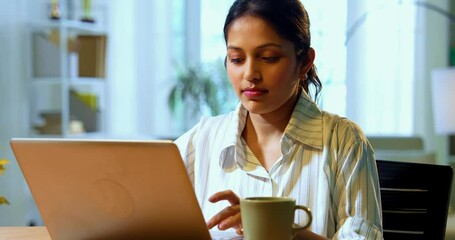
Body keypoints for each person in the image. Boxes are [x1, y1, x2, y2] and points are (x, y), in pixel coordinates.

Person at [174, 0, 383, 239]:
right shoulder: (202, 139)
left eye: (269, 57)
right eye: (237, 59)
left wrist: (277, 228)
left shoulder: (343, 141)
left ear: (304, 62)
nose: (250, 74)